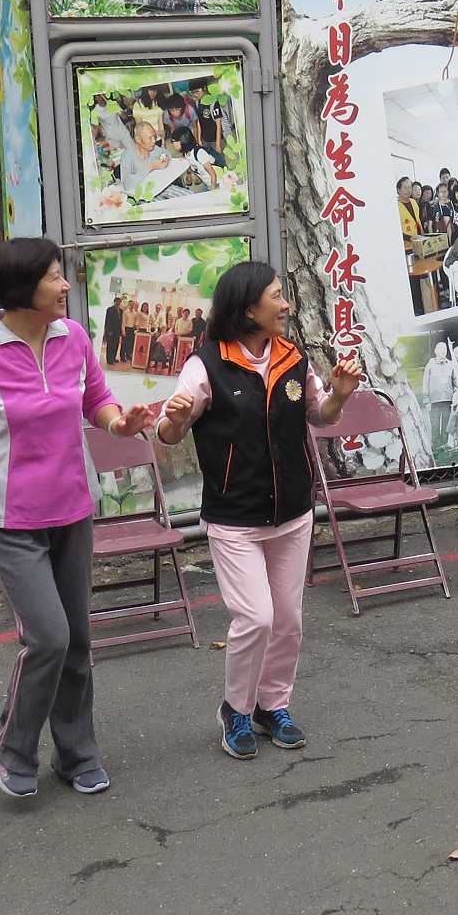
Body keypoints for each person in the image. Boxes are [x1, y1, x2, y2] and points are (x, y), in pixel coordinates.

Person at [0, 239, 151, 800]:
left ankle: (77, 755)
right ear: (24, 289)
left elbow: (96, 401)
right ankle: (16, 748)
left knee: (76, 640)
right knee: (47, 637)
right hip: (10, 516)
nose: (65, 285)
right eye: (55, 276)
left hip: (73, 508)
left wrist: (120, 424)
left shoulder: (72, 338)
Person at [156, 262, 360, 758]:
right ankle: (237, 711)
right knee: (257, 619)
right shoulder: (206, 364)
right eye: (276, 296)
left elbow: (319, 414)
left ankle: (274, 705)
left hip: (293, 512)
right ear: (249, 308)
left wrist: (340, 394)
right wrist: (175, 421)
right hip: (234, 518)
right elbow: (168, 432)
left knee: (288, 619)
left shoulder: (293, 357)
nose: (286, 304)